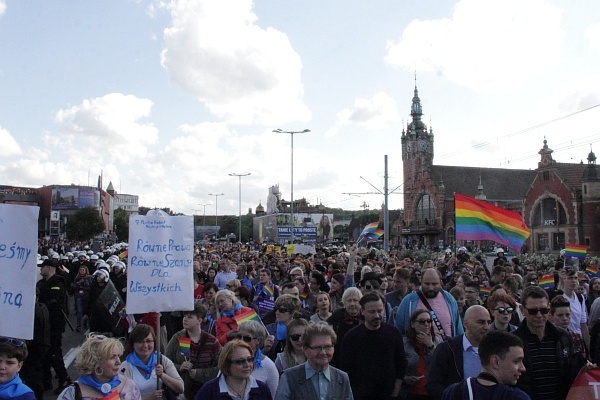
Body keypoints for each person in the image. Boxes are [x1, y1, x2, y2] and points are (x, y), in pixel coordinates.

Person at [514, 286, 588, 400]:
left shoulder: (563, 337)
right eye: (533, 311)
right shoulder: (514, 340)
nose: (539, 315)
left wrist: (584, 367)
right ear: (522, 310)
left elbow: (570, 371)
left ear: (549, 308)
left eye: (543, 310)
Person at [340, 292, 407, 400]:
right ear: (362, 311)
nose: (377, 316)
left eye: (380, 311)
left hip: (388, 395)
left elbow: (401, 364)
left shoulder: (394, 334)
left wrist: (395, 392)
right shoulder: (351, 337)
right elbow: (345, 369)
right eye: (372, 312)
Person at [441, 331, 530, 400]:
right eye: (516, 361)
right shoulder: (517, 397)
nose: (523, 368)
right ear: (495, 362)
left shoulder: (453, 392)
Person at [426, 305, 491, 399]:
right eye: (481, 322)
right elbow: (433, 384)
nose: (486, 327)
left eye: (489, 322)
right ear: (465, 324)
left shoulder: (494, 350)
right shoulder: (447, 349)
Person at [275, 322, 353, 400]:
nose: (323, 352)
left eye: (327, 347)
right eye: (317, 348)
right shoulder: (289, 378)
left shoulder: (342, 378)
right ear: (306, 350)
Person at [56, 334, 141, 400]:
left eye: (118, 356)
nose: (118, 362)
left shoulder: (129, 386)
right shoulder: (72, 394)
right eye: (112, 357)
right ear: (95, 362)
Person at [166, 303, 221, 400]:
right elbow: (165, 362)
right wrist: (179, 367)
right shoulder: (178, 337)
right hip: (182, 392)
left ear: (199, 320)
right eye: (184, 316)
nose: (185, 319)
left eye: (190, 317)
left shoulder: (212, 341)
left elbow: (221, 368)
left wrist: (199, 373)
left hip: (205, 392)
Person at [396, 268, 464, 341]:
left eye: (435, 284)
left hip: (446, 350)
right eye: (427, 284)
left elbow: (458, 330)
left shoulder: (449, 299)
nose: (431, 288)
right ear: (421, 282)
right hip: (417, 351)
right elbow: (398, 330)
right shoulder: (409, 301)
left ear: (440, 283)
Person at [120, 324, 184, 400]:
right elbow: (123, 397)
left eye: (148, 341)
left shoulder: (162, 360)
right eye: (140, 342)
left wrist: (162, 375)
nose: (145, 345)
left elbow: (180, 388)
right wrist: (149, 398)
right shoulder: (125, 367)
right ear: (133, 344)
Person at [193, 340, 272, 400]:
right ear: (227, 364)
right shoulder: (209, 391)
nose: (247, 364)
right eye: (240, 361)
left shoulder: (262, 389)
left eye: (250, 359)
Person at [36, 259, 71, 394]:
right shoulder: (41, 283)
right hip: (42, 324)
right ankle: (46, 380)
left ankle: (64, 378)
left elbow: (55, 301)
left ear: (50, 268)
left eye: (42, 267)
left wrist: (41, 307)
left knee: (54, 352)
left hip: (54, 324)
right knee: (43, 352)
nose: (40, 270)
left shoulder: (57, 282)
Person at [401, 309, 439, 400]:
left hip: (431, 391)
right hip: (410, 392)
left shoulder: (436, 342)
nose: (426, 324)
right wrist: (405, 378)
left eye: (429, 321)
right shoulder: (403, 343)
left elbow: (441, 363)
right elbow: (395, 366)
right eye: (422, 321)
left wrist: (430, 345)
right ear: (412, 324)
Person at [237, 321, 279, 397]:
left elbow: (274, 396)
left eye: (247, 338)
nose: (241, 341)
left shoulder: (268, 366)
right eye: (239, 337)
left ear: (258, 341)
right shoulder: (229, 360)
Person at [326, 287, 363, 369]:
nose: (352, 304)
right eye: (349, 300)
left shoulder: (364, 317)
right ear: (344, 303)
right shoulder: (338, 315)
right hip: (338, 360)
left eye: (355, 300)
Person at [264, 294, 302, 359]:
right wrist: (266, 350)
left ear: (293, 312)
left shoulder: (301, 329)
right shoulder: (268, 329)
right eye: (276, 309)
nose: (277, 312)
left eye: (282, 310)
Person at [72, 266, 93, 332]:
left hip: (87, 297)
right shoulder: (77, 278)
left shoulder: (89, 277)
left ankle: (85, 323)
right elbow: (75, 287)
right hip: (79, 296)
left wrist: (82, 287)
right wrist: (79, 283)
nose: (81, 271)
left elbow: (90, 287)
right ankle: (78, 325)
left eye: (83, 270)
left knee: (86, 311)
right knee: (79, 311)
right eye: (80, 270)